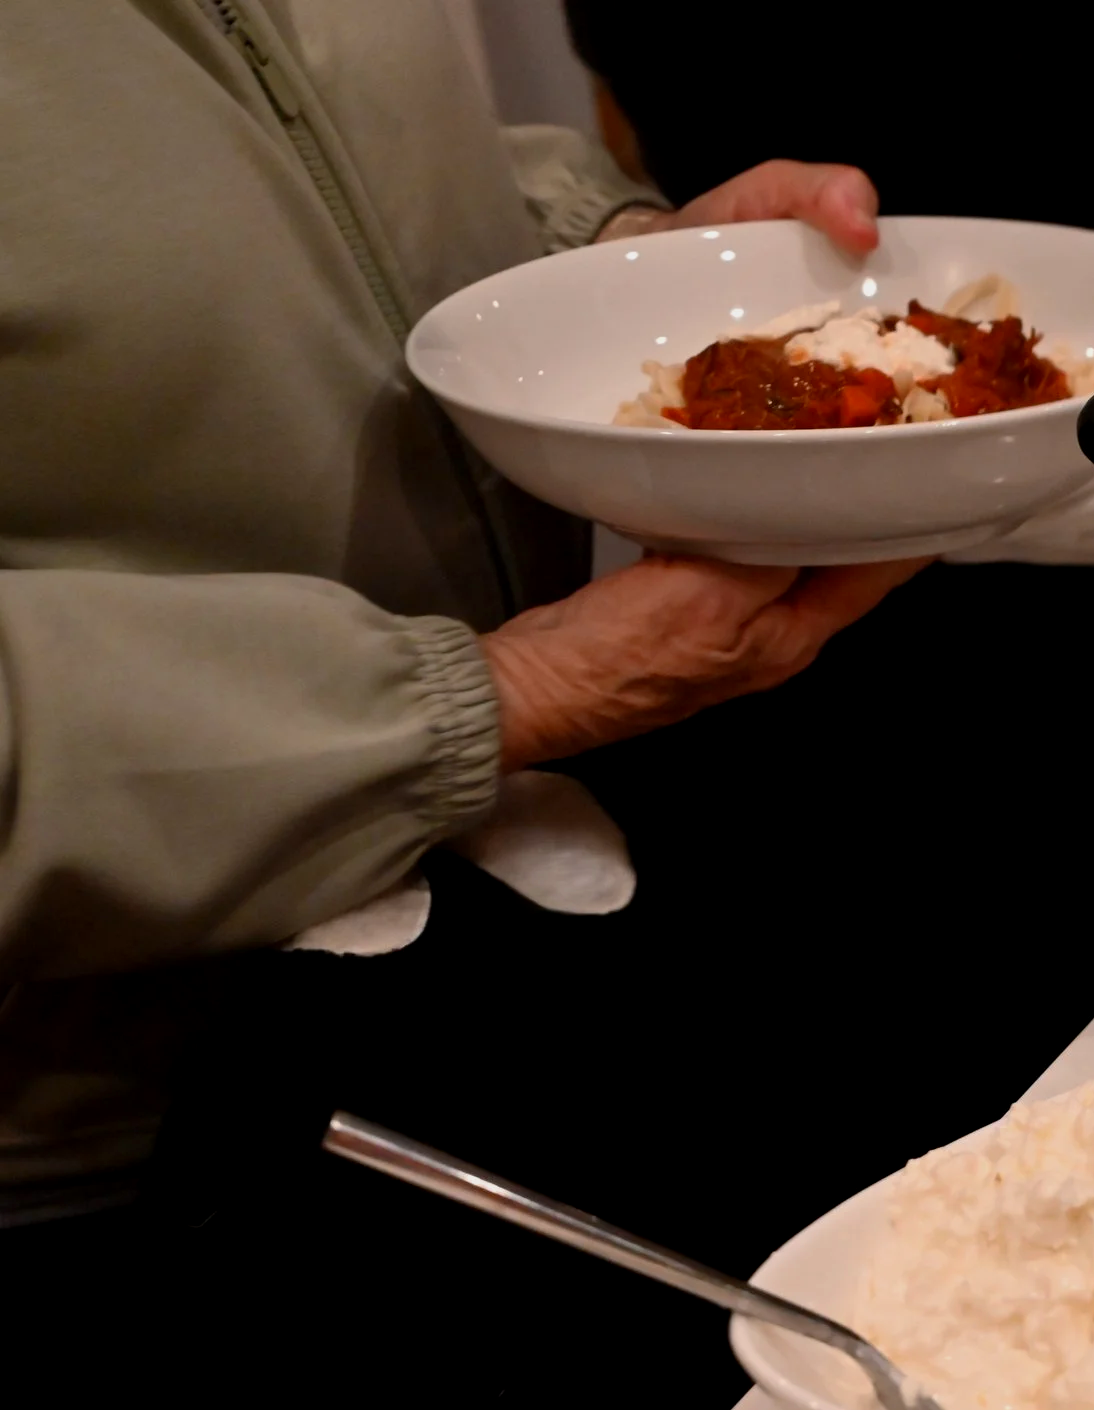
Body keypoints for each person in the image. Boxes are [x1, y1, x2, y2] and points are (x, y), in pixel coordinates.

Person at [0, 2, 921, 1225]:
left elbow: (346, 169)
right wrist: (482, 698)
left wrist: (614, 257)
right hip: (136, 1131)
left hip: (526, 932)